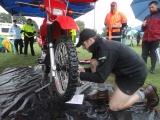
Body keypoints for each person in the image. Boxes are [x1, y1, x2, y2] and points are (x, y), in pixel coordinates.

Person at [76, 28, 159, 111]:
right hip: (123, 73)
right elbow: (99, 68)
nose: (83, 48)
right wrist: (84, 71)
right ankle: (102, 92)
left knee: (114, 106)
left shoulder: (105, 49)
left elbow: (100, 77)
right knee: (93, 62)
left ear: (90, 40)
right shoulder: (98, 47)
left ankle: (146, 92)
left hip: (135, 75)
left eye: (83, 44)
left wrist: (79, 75)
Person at [141, 1, 160, 74]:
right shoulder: (147, 17)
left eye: (152, 7)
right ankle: (143, 68)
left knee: (153, 54)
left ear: (156, 6)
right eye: (149, 8)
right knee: (144, 54)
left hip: (155, 38)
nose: (150, 9)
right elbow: (143, 29)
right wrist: (143, 25)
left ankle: (152, 68)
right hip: (145, 38)